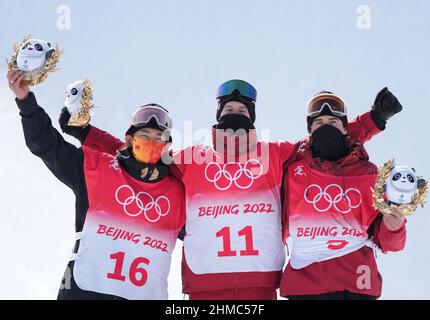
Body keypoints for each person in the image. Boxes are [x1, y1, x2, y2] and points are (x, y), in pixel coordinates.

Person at [60, 79, 400, 300]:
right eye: (229, 110)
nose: (235, 114)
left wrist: (372, 120)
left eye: (242, 111)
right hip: (205, 287)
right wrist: (86, 134)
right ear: (218, 115)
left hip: (260, 287)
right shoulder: (191, 158)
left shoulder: (274, 154)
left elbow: (324, 141)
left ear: (252, 118)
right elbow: (139, 153)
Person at [7, 70, 185, 300]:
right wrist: (25, 101)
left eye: (158, 138)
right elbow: (46, 145)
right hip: (84, 292)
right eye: (144, 135)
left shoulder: (178, 194)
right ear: (129, 140)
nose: (151, 142)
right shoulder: (97, 169)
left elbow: (213, 232)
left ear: (168, 147)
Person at [279, 91, 406, 300]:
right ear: (310, 130)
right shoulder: (293, 170)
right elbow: (276, 224)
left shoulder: (368, 174)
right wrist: (373, 120)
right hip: (305, 288)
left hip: (356, 286)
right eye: (319, 122)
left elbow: (388, 242)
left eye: (333, 121)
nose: (326, 126)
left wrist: (394, 226)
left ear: (346, 129)